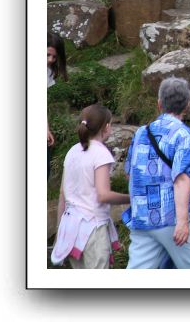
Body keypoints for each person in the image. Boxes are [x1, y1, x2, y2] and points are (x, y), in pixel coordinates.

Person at [122, 77, 190, 269]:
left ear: (159, 103)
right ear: (188, 105)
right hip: (171, 218)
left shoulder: (141, 133)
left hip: (142, 218)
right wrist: (182, 222)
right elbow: (182, 179)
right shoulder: (184, 136)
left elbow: (129, 174)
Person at [50, 105, 130, 268]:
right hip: (93, 229)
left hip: (70, 227)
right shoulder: (100, 153)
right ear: (106, 127)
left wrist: (60, 230)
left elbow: (62, 194)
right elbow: (103, 195)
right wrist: (131, 198)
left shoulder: (72, 151)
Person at [47, 33, 68, 178]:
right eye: (47, 55)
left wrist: (46, 129)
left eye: (54, 57)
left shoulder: (47, 71)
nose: (50, 60)